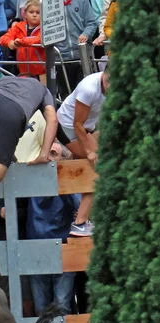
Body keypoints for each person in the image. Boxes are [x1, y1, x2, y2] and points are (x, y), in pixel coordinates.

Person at [27, 141, 79, 323]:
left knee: (62, 303)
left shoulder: (68, 182)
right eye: (47, 153)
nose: (48, 157)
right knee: (41, 307)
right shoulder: (31, 181)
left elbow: (77, 206)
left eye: (55, 153)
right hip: (35, 249)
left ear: (64, 160)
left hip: (62, 249)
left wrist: (62, 181)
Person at [57, 68, 109, 237]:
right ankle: (80, 222)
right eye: (109, 81)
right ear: (104, 74)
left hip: (87, 128)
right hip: (68, 127)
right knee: (99, 167)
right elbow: (77, 124)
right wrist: (88, 151)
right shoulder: (89, 89)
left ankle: (86, 217)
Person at [57, 0, 97, 97]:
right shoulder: (51, 3)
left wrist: (86, 34)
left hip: (81, 55)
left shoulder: (81, 0)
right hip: (61, 57)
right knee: (65, 94)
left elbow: (91, 22)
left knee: (83, 93)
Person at [0, 0, 45, 79]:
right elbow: (2, 39)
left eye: (38, 12)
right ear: (25, 14)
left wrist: (21, 41)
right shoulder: (18, 26)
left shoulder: (45, 27)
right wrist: (9, 42)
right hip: (22, 71)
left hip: (42, 71)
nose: (34, 15)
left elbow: (39, 39)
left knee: (43, 87)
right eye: (31, 12)